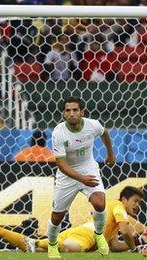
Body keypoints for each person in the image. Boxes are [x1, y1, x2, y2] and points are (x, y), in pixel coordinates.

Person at [0, 186, 147, 254]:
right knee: (70, 249)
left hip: (80, 231)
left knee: (34, 247)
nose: (137, 205)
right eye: (136, 201)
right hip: (87, 234)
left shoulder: (112, 215)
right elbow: (125, 231)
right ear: (125, 199)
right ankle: (50, 244)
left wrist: (139, 241)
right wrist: (135, 250)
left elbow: (114, 245)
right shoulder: (118, 206)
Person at [46, 96, 116, 258]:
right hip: (67, 175)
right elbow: (62, 165)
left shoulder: (93, 125)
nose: (71, 114)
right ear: (63, 114)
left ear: (82, 112)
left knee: (100, 203)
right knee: (57, 217)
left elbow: (104, 133)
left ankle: (99, 235)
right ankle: (52, 245)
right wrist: (81, 179)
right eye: (68, 110)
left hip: (89, 168)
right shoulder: (59, 132)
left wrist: (110, 154)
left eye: (75, 110)